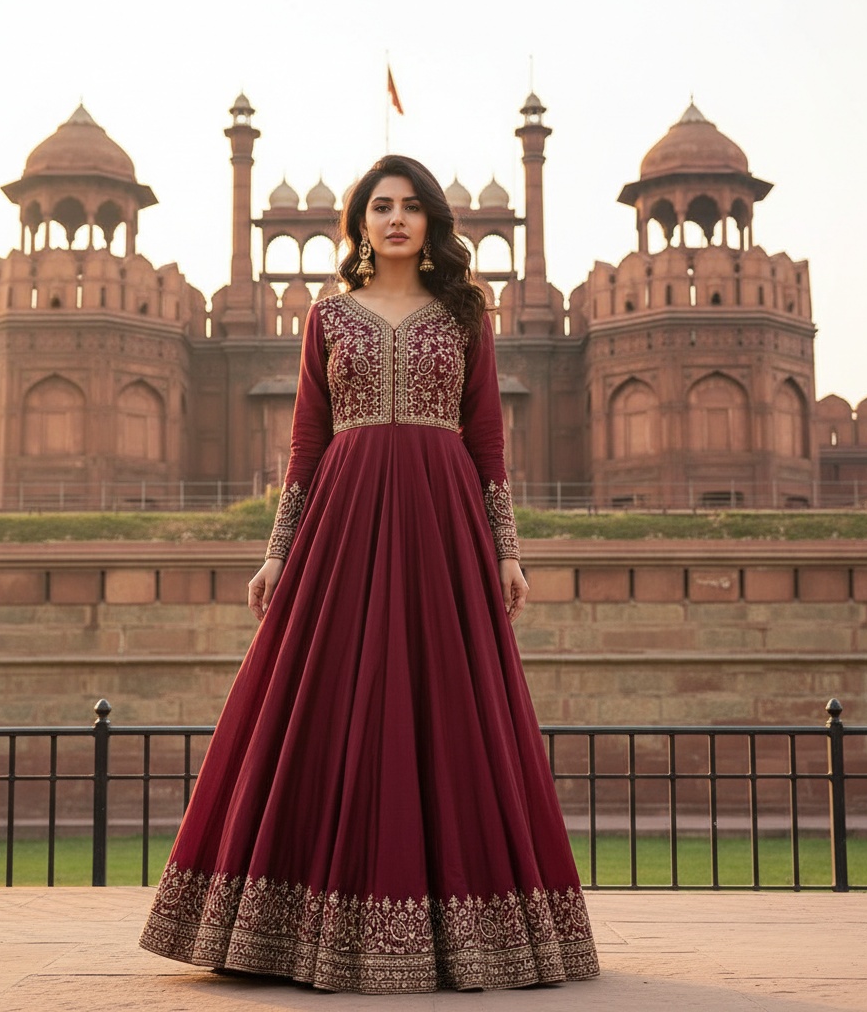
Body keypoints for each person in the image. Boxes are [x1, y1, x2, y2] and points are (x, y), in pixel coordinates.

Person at [139, 155, 600, 993]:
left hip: (443, 519)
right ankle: (291, 926)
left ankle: (468, 928)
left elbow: (487, 438)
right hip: (344, 520)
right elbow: (306, 443)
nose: (396, 219)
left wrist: (507, 548)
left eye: (411, 206)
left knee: (450, 702)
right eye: (380, 206)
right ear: (358, 222)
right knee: (325, 695)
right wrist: (277, 550)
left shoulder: (465, 315)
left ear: (431, 223)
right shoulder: (329, 318)